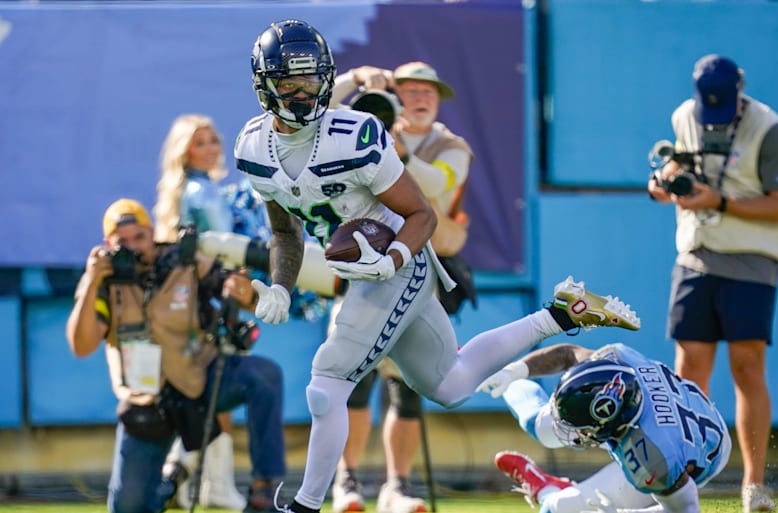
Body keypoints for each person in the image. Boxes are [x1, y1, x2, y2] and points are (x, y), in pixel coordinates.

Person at [235, 19, 642, 513]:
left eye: (311, 81)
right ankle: (560, 314)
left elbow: (421, 213)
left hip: (400, 263)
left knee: (329, 378)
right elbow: (284, 233)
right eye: (288, 83)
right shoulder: (254, 148)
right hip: (361, 271)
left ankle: (306, 504)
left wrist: (392, 260)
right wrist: (281, 285)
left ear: (327, 78)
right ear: (263, 85)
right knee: (449, 385)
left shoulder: (355, 134)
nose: (302, 93)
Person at [645, 54, 778, 512]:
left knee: (747, 367)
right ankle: (686, 480)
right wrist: (665, 184)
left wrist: (721, 202)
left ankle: (753, 485)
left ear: (742, 88)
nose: (715, 114)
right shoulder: (683, 117)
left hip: (753, 259)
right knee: (688, 372)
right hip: (695, 254)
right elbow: (677, 171)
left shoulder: (771, 129)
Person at [65, 199, 287, 513]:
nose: (134, 247)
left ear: (151, 232)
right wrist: (90, 281)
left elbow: (239, 291)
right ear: (107, 245)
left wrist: (243, 291)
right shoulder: (104, 281)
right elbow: (81, 345)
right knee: (127, 507)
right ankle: (169, 484)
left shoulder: (184, 259)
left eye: (138, 237)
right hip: (147, 401)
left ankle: (265, 487)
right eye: (122, 242)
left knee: (265, 375)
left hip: (201, 377)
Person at [326, 62, 474, 513]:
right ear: (396, 95)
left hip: (423, 270)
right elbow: (319, 112)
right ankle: (346, 481)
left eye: (429, 91)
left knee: (409, 384)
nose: (420, 98)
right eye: (408, 90)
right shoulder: (363, 128)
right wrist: (356, 81)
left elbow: (436, 187)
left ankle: (398, 486)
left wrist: (393, 149)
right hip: (364, 263)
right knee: (353, 376)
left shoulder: (452, 146)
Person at [476, 342, 731, 513]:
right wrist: (514, 371)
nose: (576, 433)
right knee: (542, 426)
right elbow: (569, 354)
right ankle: (492, 373)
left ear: (613, 425)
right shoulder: (619, 362)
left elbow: (686, 509)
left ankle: (547, 491)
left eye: (584, 429)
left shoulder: (653, 458)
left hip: (698, 459)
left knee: (557, 510)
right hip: (676, 419)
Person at [152, 113, 247, 511]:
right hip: (213, 301)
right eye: (200, 142)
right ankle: (195, 478)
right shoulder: (201, 193)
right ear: (184, 151)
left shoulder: (189, 191)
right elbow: (220, 250)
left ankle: (188, 478)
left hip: (194, 304)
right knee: (217, 394)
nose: (211, 149)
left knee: (206, 392)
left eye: (213, 141)